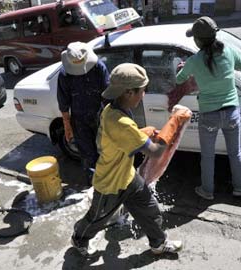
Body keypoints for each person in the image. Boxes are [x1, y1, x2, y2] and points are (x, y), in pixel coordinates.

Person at [71, 63, 183, 257]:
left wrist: (141, 134)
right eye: (142, 91)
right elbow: (156, 151)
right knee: (97, 218)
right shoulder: (120, 121)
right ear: (129, 92)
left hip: (128, 176)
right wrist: (175, 121)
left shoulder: (112, 108)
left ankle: (159, 243)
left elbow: (121, 138)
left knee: (149, 208)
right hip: (110, 183)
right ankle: (78, 238)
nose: (144, 95)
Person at [176, 16, 241, 200]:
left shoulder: (194, 60)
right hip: (232, 111)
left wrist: (183, 68)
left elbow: (178, 79)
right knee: (235, 153)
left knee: (208, 156)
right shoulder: (228, 51)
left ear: (198, 40)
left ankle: (207, 191)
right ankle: (239, 188)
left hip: (209, 115)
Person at [57, 42, 109, 186]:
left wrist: (110, 122)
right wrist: (67, 126)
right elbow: (64, 103)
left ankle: (107, 186)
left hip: (100, 117)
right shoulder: (64, 75)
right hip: (79, 122)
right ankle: (94, 187)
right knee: (88, 156)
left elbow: (108, 96)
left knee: (105, 153)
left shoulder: (99, 68)